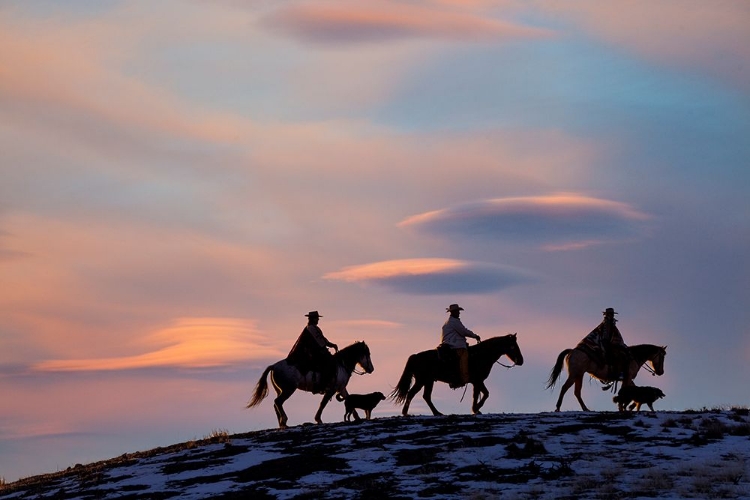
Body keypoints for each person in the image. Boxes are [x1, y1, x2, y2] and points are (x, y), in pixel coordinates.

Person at [286, 311, 339, 393]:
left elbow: (323, 340)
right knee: (328, 364)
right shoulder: (311, 328)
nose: (318, 320)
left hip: (314, 351)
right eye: (316, 318)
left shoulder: (313, 328)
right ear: (312, 319)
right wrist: (331, 345)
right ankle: (322, 385)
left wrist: (331, 345)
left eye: (317, 318)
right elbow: (320, 341)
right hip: (311, 353)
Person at [584, 307, 631, 383]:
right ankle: (618, 373)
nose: (611, 315)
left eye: (612, 314)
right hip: (607, 342)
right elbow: (607, 334)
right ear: (607, 314)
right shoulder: (607, 322)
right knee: (618, 355)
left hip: (608, 342)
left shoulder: (609, 322)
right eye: (610, 314)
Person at [440, 304, 481, 388]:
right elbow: (463, 331)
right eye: (457, 311)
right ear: (453, 312)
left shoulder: (449, 322)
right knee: (464, 356)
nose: (459, 313)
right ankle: (464, 378)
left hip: (450, 343)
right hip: (455, 345)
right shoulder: (454, 322)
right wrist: (475, 336)